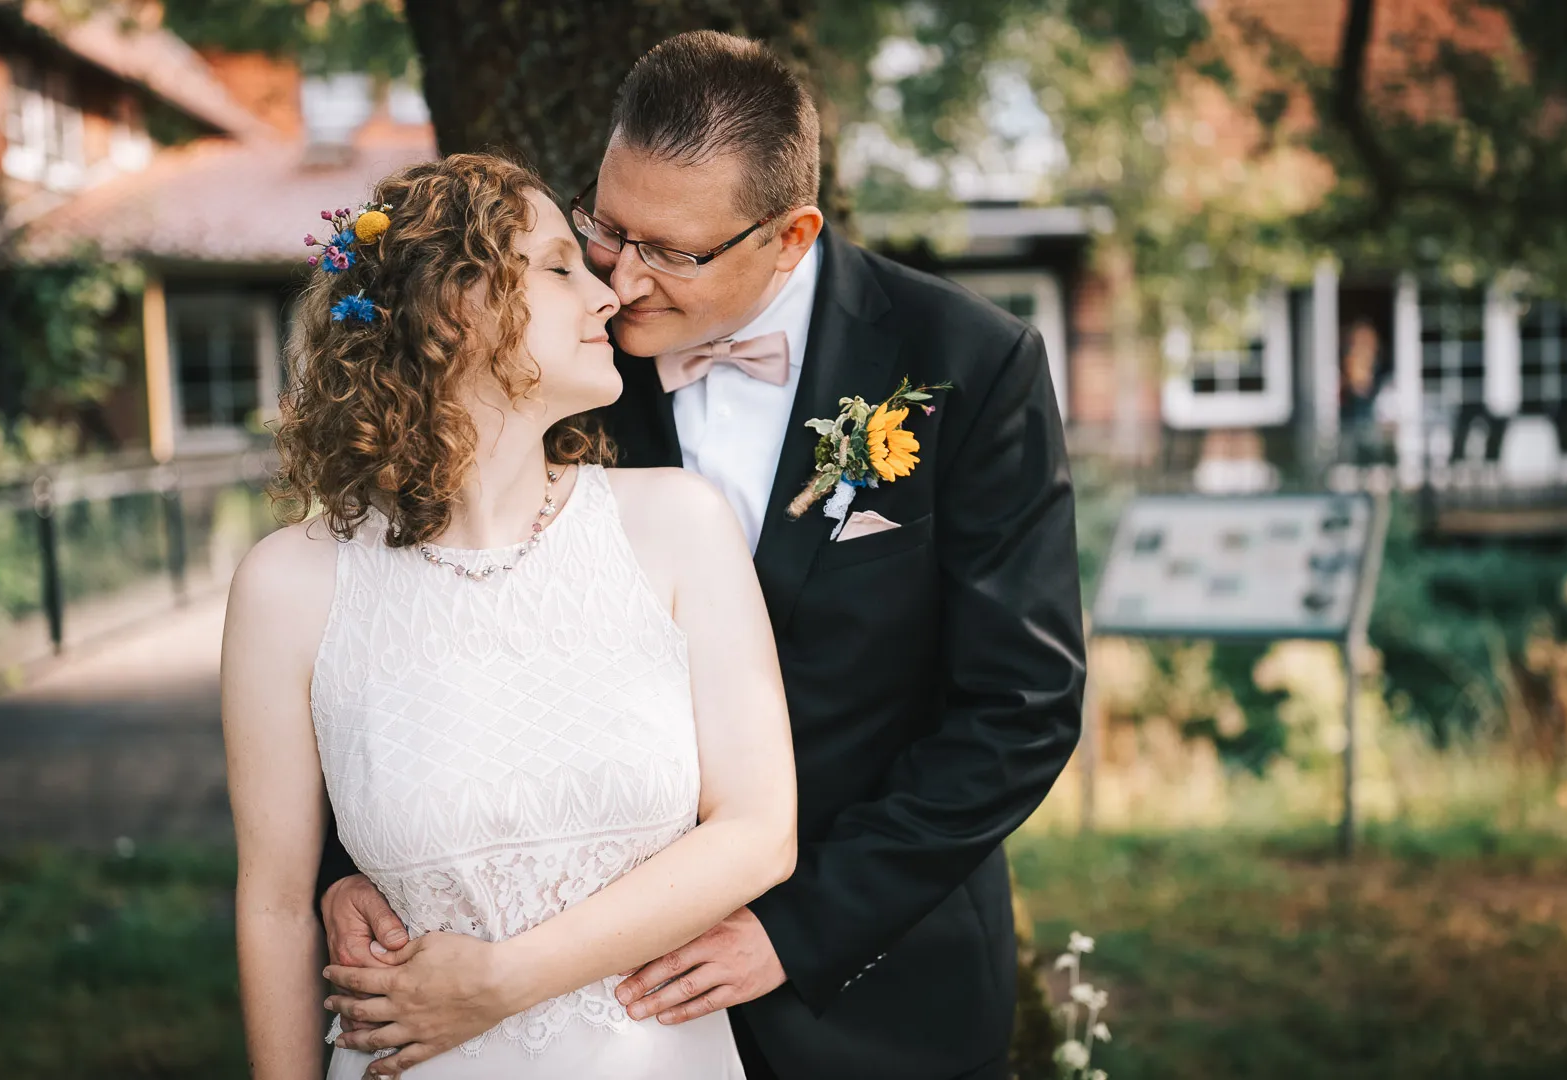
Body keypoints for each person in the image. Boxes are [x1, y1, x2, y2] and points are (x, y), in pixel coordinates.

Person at [319, 32, 1086, 1080]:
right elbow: (405, 612)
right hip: (586, 997)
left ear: (792, 234)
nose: (621, 281)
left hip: (873, 988)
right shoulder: (555, 356)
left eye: (671, 252)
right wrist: (349, 865)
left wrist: (797, 930)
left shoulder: (968, 367)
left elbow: (1021, 704)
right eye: (606, 228)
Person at [221, 153, 798, 1079]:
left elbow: (760, 830)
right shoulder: (289, 588)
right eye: (561, 267)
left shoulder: (679, 525)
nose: (607, 296)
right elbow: (279, 907)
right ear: (455, 307)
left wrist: (500, 980)